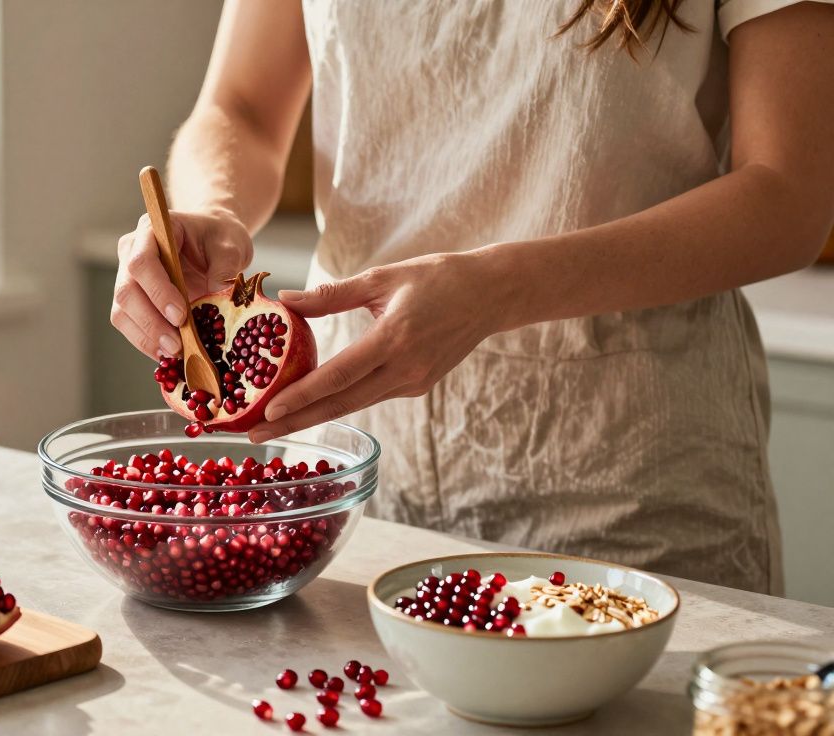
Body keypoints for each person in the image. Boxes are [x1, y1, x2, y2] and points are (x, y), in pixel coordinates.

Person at [110, 0, 834, 594]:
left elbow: (791, 197)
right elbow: (241, 105)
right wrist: (209, 211)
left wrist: (496, 289)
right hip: (356, 471)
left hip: (625, 475)